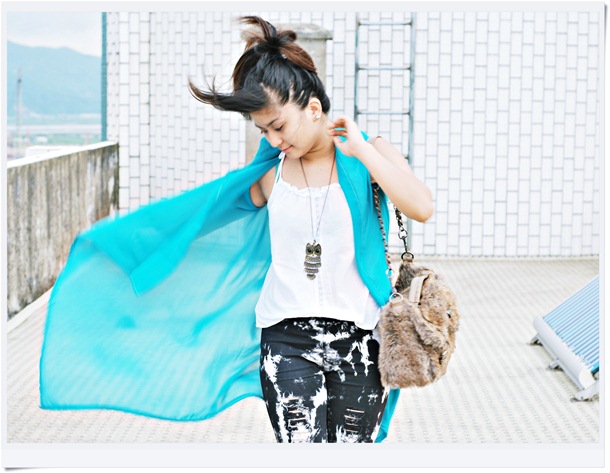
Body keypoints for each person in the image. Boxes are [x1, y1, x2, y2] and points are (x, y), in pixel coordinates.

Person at [187, 16, 434, 443]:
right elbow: (202, 217)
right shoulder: (269, 172)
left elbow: (422, 207)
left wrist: (362, 151)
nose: (273, 139)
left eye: (278, 126)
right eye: (263, 130)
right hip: (286, 340)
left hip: (361, 339)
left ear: (313, 108)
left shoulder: (369, 154)